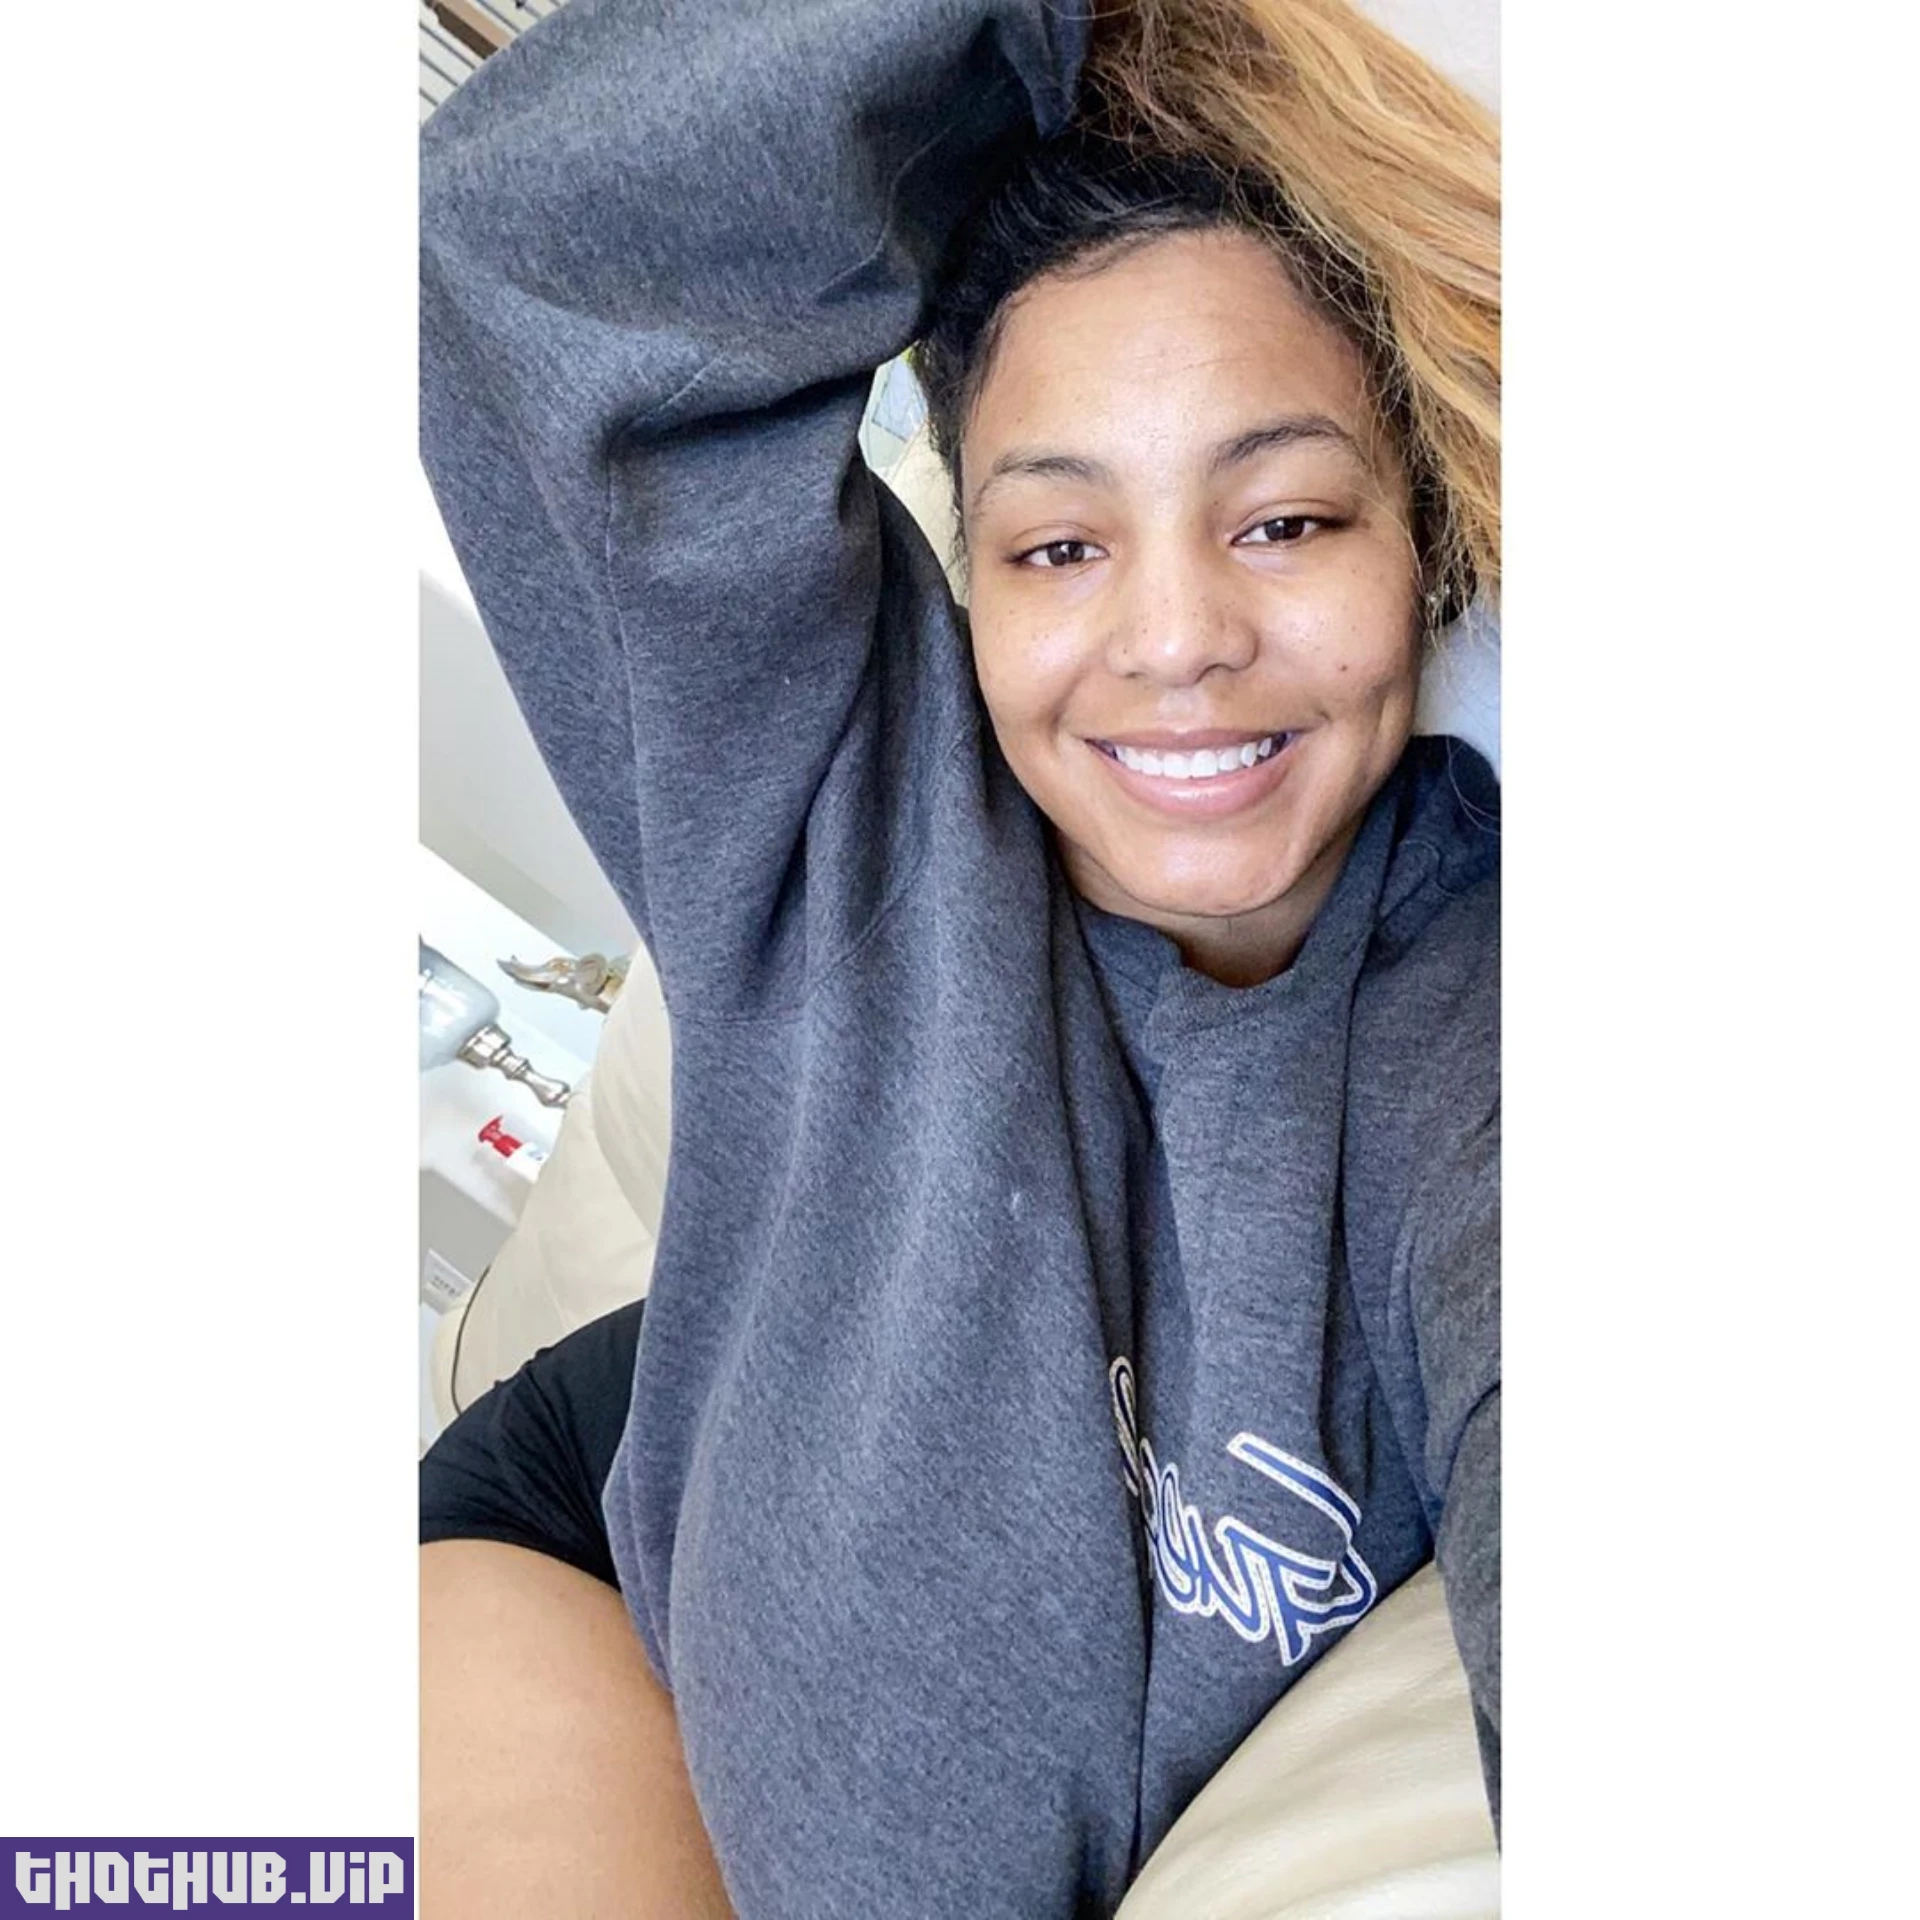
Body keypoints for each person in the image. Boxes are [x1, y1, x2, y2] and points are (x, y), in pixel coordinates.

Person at [417, 0, 1500, 1914]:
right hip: (590, 1535)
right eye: (1058, 547)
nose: (1174, 637)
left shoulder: (1486, 1022)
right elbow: (535, 243)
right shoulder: (855, 811)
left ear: (1424, 547)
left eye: (1285, 518)